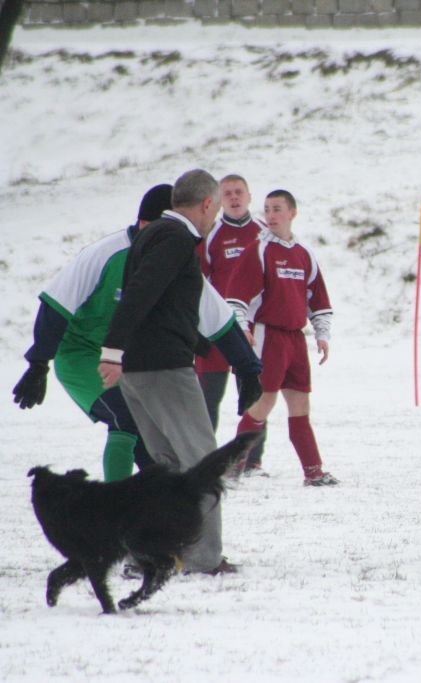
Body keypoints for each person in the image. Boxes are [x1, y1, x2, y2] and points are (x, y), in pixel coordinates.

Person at [99, 169, 264, 576]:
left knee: (165, 468)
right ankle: (202, 558)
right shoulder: (174, 238)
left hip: (140, 369)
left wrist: (124, 352)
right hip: (164, 370)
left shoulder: (152, 235)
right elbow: (140, 294)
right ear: (207, 204)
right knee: (202, 462)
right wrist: (112, 350)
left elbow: (166, 307)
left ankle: (151, 554)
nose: (215, 218)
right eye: (216, 209)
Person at [12, 185, 172, 481]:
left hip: (125, 358)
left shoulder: (170, 256)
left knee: (152, 429)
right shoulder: (106, 254)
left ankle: (161, 495)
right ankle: (115, 500)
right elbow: (56, 304)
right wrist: (38, 364)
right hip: (81, 354)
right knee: (126, 416)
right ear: (144, 223)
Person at [225, 189, 338, 487]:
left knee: (300, 405)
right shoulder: (259, 250)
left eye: (277, 209)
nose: (271, 215)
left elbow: (317, 298)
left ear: (292, 213)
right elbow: (236, 298)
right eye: (267, 209)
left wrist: (322, 334)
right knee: (264, 403)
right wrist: (243, 327)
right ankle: (232, 468)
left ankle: (314, 473)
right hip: (268, 335)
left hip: (295, 339)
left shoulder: (304, 253)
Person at [196, 173, 268, 472]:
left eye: (239, 192)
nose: (234, 197)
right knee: (208, 397)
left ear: (249, 197)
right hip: (216, 328)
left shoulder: (264, 232)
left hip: (250, 329)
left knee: (253, 395)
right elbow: (198, 280)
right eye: (228, 193)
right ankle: (203, 458)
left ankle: (251, 461)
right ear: (218, 200)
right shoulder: (210, 234)